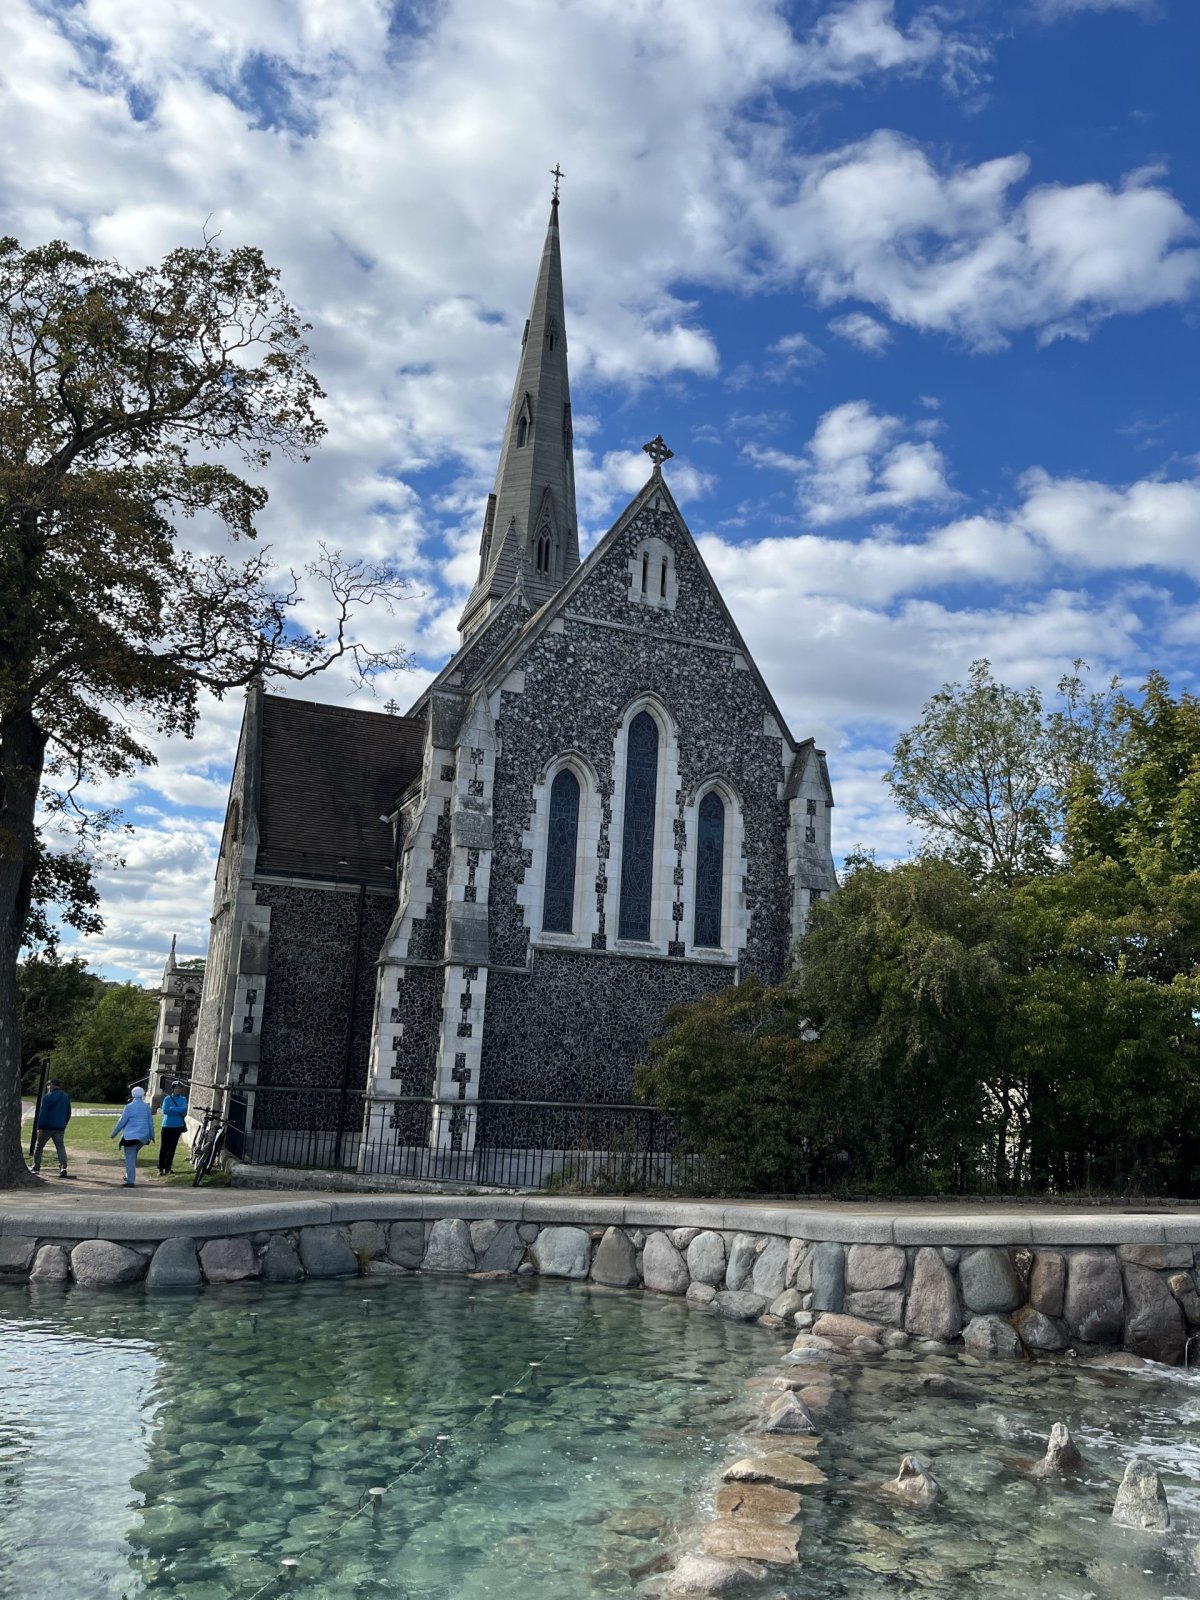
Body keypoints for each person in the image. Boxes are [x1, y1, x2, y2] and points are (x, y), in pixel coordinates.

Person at [110, 1087, 155, 1186]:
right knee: (133, 1156)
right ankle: (128, 1175)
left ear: (133, 1095)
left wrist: (114, 1134)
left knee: (130, 1158)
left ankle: (130, 1181)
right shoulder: (146, 1107)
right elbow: (150, 1122)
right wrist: (152, 1135)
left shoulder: (129, 1107)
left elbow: (122, 1121)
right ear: (143, 1095)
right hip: (143, 1137)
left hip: (130, 1137)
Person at [32, 1079, 72, 1177]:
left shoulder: (48, 1097)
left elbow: (43, 1112)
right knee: (60, 1147)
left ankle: (36, 1167)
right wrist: (64, 1124)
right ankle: (63, 1167)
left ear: (52, 1086)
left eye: (48, 1085)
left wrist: (39, 1126)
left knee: (39, 1146)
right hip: (60, 1127)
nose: (47, 1087)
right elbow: (68, 1112)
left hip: (47, 1126)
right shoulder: (65, 1097)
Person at [157, 1081, 188, 1176]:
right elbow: (165, 1111)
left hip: (178, 1126)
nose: (178, 1090)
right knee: (164, 1147)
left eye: (180, 1088)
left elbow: (184, 1109)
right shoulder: (167, 1099)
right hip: (167, 1125)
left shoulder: (183, 1099)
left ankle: (168, 1167)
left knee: (172, 1147)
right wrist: (176, 1109)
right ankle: (161, 1167)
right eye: (176, 1088)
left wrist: (173, 1108)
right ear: (173, 1089)